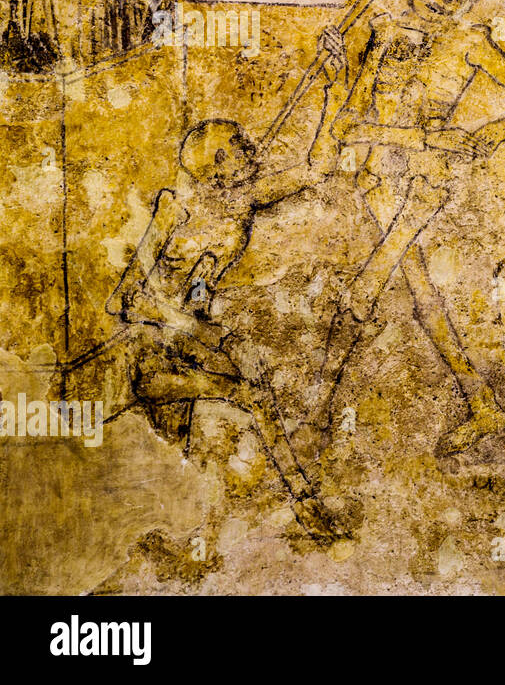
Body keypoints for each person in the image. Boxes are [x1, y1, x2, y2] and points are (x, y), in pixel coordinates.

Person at [64, 31, 349, 538]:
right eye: (240, 146)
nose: (253, 148)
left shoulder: (244, 201)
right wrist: (212, 337)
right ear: (219, 164)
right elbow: (128, 300)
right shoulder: (178, 206)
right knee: (251, 401)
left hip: (187, 344)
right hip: (148, 358)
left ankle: (294, 512)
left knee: (232, 413)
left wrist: (334, 83)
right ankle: (308, 513)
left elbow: (318, 167)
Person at [299, 0, 505, 464]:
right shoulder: (386, 33)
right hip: (381, 180)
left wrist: (497, 129)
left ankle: (320, 412)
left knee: (364, 292)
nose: (450, 0)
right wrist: (337, 76)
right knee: (423, 300)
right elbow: (348, 127)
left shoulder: (469, 40)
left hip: (423, 189)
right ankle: (482, 404)